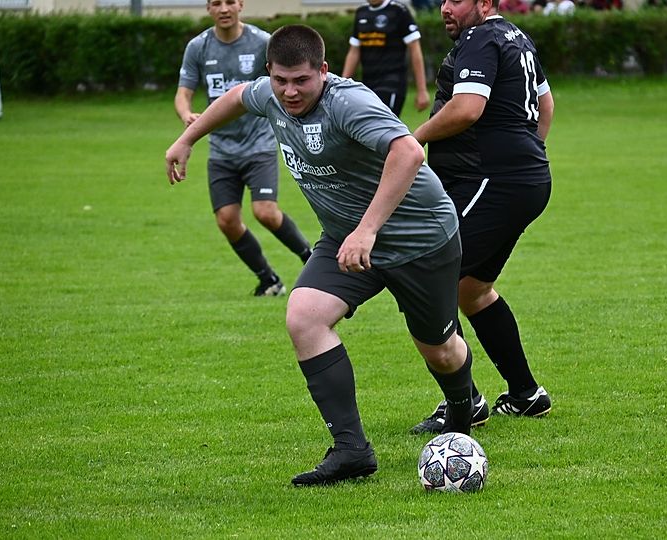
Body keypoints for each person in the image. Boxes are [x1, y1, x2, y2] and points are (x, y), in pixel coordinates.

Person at [166, 24, 477, 487]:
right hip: (345, 239)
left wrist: (368, 230)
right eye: (280, 80)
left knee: (440, 349)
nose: (290, 92)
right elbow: (235, 97)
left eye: (302, 81)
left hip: (420, 238)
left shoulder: (348, 104)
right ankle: (352, 450)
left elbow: (410, 153)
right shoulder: (269, 94)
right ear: (269, 73)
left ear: (324, 71)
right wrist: (188, 139)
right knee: (304, 316)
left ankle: (462, 410)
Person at [408, 0, 555, 434]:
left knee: (425, 280)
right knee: (471, 290)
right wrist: (528, 155)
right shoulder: (515, 36)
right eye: (443, 0)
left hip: (493, 181)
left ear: (485, 3)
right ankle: (526, 394)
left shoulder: (480, 37)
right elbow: (546, 106)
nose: (446, 8)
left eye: (457, 0)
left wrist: (413, 139)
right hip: (519, 181)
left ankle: (465, 401)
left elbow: (467, 108)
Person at [175, 0, 314, 296]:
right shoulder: (198, 47)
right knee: (226, 220)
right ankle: (269, 279)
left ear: (241, 5)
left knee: (265, 212)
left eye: (230, 2)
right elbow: (183, 93)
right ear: (208, 8)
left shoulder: (263, 42)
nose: (224, 9)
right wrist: (186, 113)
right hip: (221, 149)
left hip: (259, 144)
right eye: (216, 3)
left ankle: (310, 258)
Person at [341, 0, 430, 117]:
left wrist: (422, 90)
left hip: (392, 84)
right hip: (368, 85)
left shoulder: (398, 10)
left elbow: (414, 49)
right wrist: (342, 85)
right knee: (369, 126)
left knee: (383, 124)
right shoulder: (361, 12)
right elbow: (354, 51)